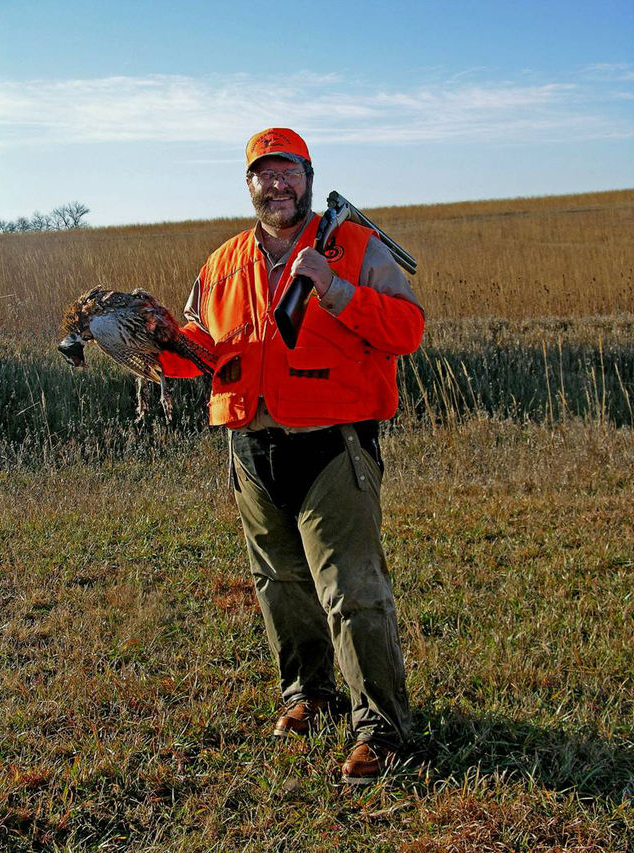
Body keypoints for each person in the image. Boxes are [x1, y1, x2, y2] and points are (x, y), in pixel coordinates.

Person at [161, 127, 425, 784]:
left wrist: (334, 288)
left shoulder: (354, 246)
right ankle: (309, 695)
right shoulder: (221, 264)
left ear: (309, 176)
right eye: (263, 173)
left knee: (352, 592)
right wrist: (149, 336)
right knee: (279, 585)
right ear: (248, 183)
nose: (276, 184)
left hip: (332, 445)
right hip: (250, 445)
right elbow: (198, 348)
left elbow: (407, 328)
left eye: (289, 171)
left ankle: (382, 730)